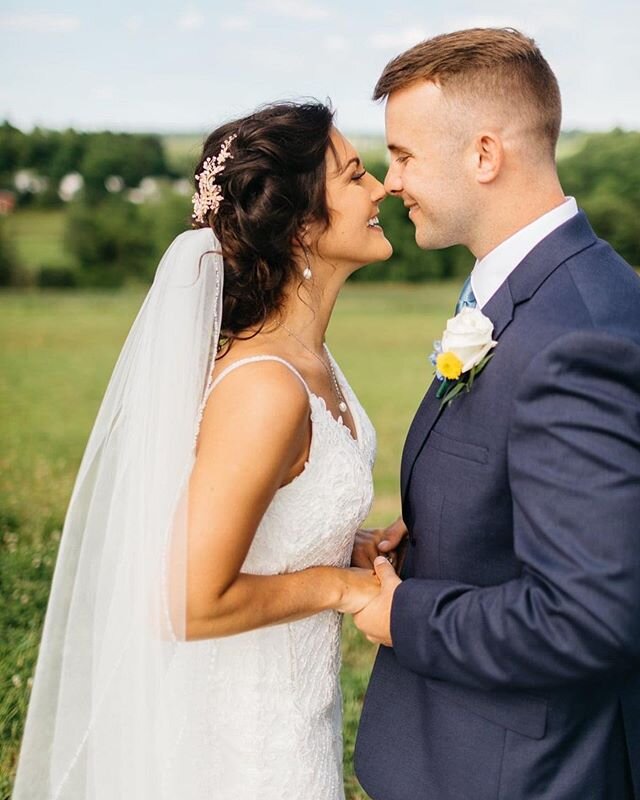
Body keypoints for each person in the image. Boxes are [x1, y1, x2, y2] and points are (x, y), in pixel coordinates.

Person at [11, 101, 392, 799]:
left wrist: (348, 544)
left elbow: (271, 523)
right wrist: (339, 586)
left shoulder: (311, 359)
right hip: (242, 748)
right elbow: (185, 601)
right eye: (356, 175)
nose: (381, 189)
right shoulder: (266, 388)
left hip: (294, 721)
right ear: (304, 224)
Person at [351, 28, 640, 800]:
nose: (389, 181)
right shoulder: (532, 294)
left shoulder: (575, 333)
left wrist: (406, 615)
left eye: (404, 155)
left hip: (522, 777)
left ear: (484, 154)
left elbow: (588, 616)